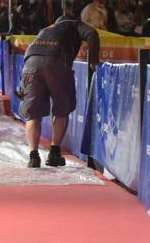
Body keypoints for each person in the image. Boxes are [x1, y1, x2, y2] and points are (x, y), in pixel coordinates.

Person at [18, 10, 100, 169]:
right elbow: (92, 34)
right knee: (61, 110)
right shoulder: (74, 24)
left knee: (33, 114)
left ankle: (33, 157)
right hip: (56, 61)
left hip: (30, 63)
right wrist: (94, 60)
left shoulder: (46, 30)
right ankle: (54, 153)